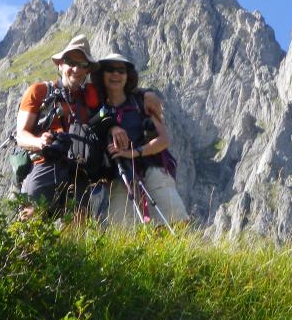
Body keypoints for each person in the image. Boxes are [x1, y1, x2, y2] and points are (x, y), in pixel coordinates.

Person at [91, 52, 189, 226]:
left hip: (152, 169)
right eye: (110, 69)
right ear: (102, 74)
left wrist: (132, 153)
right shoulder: (98, 110)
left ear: (128, 76)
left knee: (174, 223)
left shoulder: (141, 101)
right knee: (122, 234)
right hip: (119, 177)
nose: (115, 74)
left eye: (121, 70)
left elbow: (164, 140)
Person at [16, 34, 101, 217]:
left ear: (87, 71)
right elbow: (21, 135)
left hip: (79, 174)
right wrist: (40, 142)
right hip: (43, 164)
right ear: (60, 64)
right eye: (71, 61)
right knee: (31, 224)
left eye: (83, 64)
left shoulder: (91, 101)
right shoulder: (39, 92)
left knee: (77, 232)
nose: (76, 69)